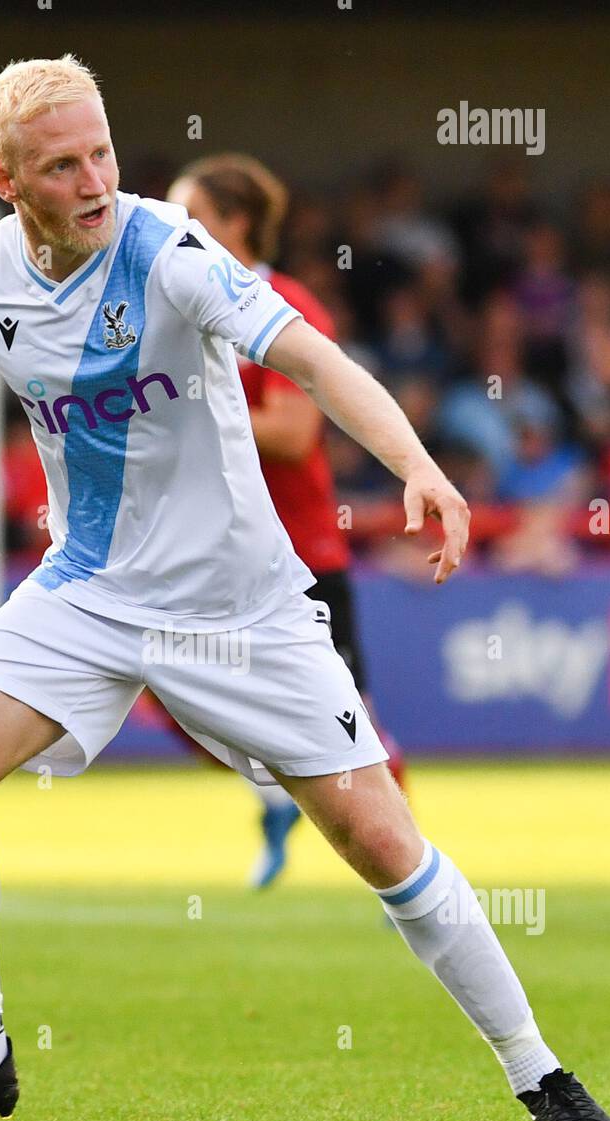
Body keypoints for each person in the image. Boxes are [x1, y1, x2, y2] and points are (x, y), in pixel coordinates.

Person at [0, 54, 610, 1121]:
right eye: (60, 166)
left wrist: (416, 463)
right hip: (84, 593)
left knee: (378, 840)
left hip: (241, 609)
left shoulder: (170, 252)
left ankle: (538, 1073)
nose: (92, 181)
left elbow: (315, 360)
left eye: (101, 152)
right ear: (6, 181)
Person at [165, 152, 406, 888]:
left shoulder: (281, 304)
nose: (174, 231)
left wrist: (179, 404)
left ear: (236, 225)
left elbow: (295, 431)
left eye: (192, 217)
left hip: (298, 556)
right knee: (164, 694)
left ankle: (416, 869)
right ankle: (274, 790)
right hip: (201, 556)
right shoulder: (173, 308)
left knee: (350, 728)